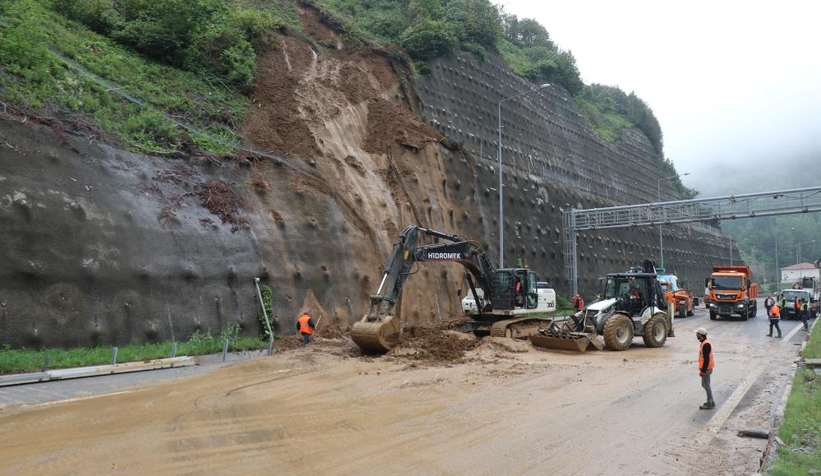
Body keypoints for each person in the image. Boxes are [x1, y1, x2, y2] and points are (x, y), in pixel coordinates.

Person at [695, 327, 716, 410]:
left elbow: (706, 359)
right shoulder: (704, 342)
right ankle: (711, 401)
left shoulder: (706, 344)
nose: (696, 335)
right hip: (707, 368)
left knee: (706, 385)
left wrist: (703, 371)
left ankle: (709, 403)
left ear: (700, 335)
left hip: (706, 369)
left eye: (697, 334)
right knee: (705, 385)